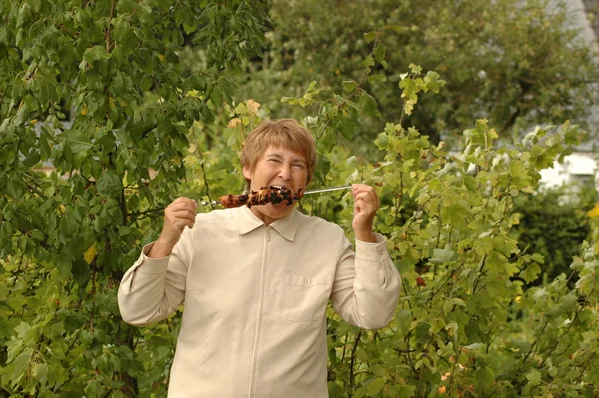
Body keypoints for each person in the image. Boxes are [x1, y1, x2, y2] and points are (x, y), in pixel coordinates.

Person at [118, 118, 401, 397]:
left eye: (298, 165)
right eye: (274, 160)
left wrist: (364, 235)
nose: (285, 174)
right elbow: (137, 310)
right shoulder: (200, 231)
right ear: (248, 169)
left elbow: (372, 314)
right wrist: (166, 240)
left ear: (307, 179)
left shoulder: (326, 240)